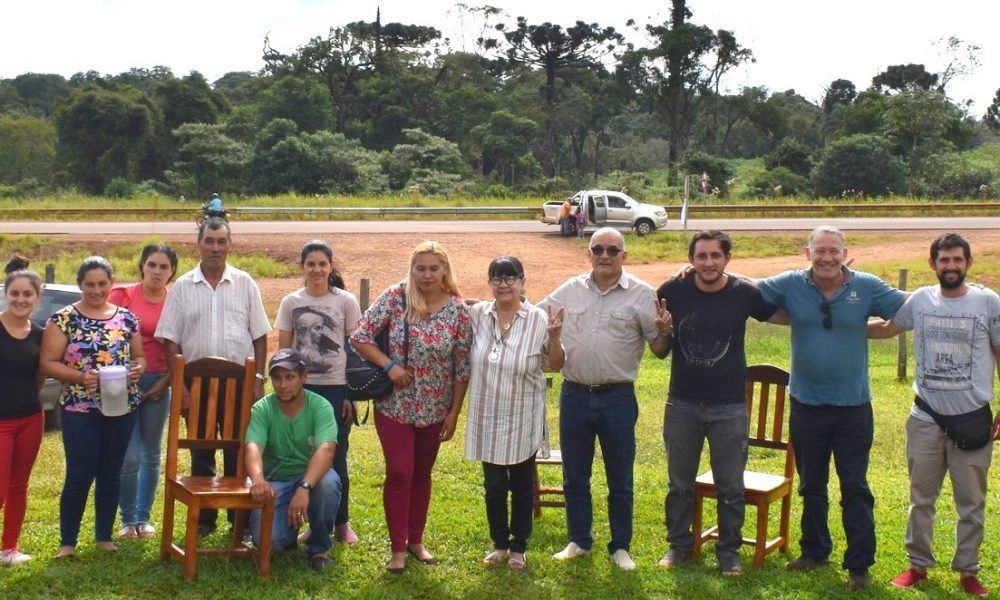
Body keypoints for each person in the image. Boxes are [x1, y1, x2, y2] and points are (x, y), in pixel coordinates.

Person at [756, 225, 905, 591]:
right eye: (819, 251)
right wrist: (701, 272)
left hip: (853, 407)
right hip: (806, 404)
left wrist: (956, 295)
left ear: (844, 252)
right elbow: (747, 291)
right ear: (808, 253)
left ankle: (859, 566)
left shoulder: (866, 286)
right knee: (812, 485)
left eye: (833, 251)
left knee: (854, 487)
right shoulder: (791, 283)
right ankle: (815, 551)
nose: (826, 257)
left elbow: (911, 305)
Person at [868, 233, 1000, 598]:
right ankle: (917, 565)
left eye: (958, 260)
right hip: (925, 417)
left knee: (971, 502)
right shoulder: (921, 299)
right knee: (921, 497)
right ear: (933, 264)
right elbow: (886, 328)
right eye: (945, 260)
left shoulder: (988, 302)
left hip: (973, 419)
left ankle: (968, 571)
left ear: (968, 263)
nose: (951, 266)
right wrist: (837, 328)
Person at [536, 227, 672, 570]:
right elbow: (533, 317)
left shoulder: (642, 294)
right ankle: (579, 540)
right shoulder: (569, 290)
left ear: (624, 255)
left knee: (620, 478)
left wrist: (666, 332)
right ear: (589, 253)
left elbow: (658, 350)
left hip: (618, 398)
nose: (605, 256)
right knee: (575, 475)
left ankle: (620, 546)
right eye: (598, 249)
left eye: (613, 250)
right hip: (575, 395)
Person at [656, 231, 780, 575]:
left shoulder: (743, 293)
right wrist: (663, 331)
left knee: (730, 486)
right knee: (679, 484)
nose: (708, 263)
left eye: (715, 256)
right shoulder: (672, 291)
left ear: (727, 258)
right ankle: (679, 545)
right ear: (691, 260)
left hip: (728, 406)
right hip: (681, 403)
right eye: (701, 256)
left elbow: (779, 313)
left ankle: (729, 552)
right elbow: (659, 350)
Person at [350, 241, 472, 574]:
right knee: (400, 472)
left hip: (435, 407)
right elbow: (360, 336)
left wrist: (454, 412)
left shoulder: (458, 311)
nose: (428, 274)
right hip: (395, 404)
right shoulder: (395, 298)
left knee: (421, 475)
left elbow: (461, 366)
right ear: (412, 269)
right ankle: (397, 547)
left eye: (434, 268)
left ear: (445, 270)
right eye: (421, 268)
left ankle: (416, 541)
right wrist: (389, 365)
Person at [155, 217, 270, 536]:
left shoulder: (245, 283)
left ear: (230, 245)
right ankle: (204, 519)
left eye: (221, 242)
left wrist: (258, 378)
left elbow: (260, 335)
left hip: (239, 383)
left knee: (238, 450)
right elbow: (169, 338)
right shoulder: (182, 287)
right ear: (199, 244)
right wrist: (182, 388)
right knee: (201, 450)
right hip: (198, 386)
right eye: (209, 241)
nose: (215, 248)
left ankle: (239, 520)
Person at [40, 256, 146, 558]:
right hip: (79, 407)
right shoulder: (64, 319)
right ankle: (68, 542)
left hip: (122, 406)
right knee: (79, 473)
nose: (97, 290)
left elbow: (140, 357)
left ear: (111, 284)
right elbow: (48, 362)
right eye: (90, 285)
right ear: (80, 285)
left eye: (102, 284)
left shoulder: (126, 318)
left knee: (111, 472)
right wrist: (79, 376)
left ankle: (103, 536)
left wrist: (137, 369)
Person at [465, 256, 565, 571]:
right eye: (497, 277)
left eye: (510, 278)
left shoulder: (538, 317)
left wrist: (554, 336)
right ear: (489, 282)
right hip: (487, 413)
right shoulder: (478, 313)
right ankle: (499, 544)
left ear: (522, 281)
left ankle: (519, 546)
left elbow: (558, 365)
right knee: (494, 487)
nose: (504, 284)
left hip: (522, 413)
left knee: (521, 486)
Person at [275, 240, 362, 545]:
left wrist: (351, 394)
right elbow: (284, 351)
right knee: (303, 455)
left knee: (336, 456)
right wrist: (286, 389)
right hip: (302, 390)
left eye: (322, 264)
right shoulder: (290, 302)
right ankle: (313, 523)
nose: (316, 269)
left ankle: (340, 522)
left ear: (331, 266)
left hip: (336, 389)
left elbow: (354, 352)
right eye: (310, 264)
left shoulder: (346, 302)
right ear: (303, 267)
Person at [246, 348, 342, 572]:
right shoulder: (262, 408)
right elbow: (252, 447)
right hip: (275, 481)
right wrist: (258, 480)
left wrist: (304, 487)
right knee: (269, 543)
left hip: (311, 478)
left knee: (329, 482)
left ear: (304, 377)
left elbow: (326, 450)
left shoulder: (320, 406)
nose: (283, 384)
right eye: (277, 378)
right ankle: (288, 534)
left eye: (289, 377)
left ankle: (319, 548)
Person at [113, 244, 178, 541]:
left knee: (151, 453)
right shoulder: (123, 295)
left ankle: (143, 517)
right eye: (152, 264)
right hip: (123, 381)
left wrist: (165, 382)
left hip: (158, 382)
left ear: (172, 272)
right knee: (129, 455)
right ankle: (127, 519)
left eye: (164, 267)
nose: (157, 271)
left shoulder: (176, 301)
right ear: (142, 266)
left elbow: (180, 347)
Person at [0, 257, 45, 566]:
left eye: (27, 294)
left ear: (36, 298)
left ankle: (9, 549)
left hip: (31, 418)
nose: (20, 299)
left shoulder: (40, 334)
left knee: (18, 486)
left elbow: (40, 375)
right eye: (14, 293)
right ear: (5, 294)